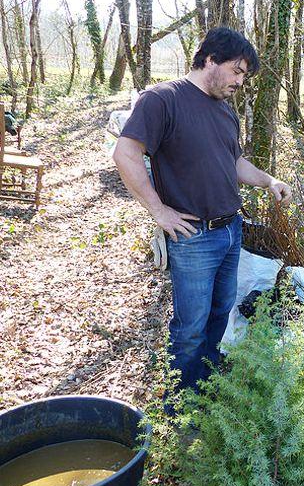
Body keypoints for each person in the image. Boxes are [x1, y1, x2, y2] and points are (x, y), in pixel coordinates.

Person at [113, 27, 292, 405]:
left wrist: (268, 180)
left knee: (220, 313)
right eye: (237, 71)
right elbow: (125, 154)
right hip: (193, 237)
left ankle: (206, 382)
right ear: (210, 59)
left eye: (244, 75)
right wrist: (160, 211)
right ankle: (180, 406)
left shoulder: (225, 113)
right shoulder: (163, 99)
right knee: (190, 327)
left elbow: (234, 161)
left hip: (231, 230)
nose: (240, 82)